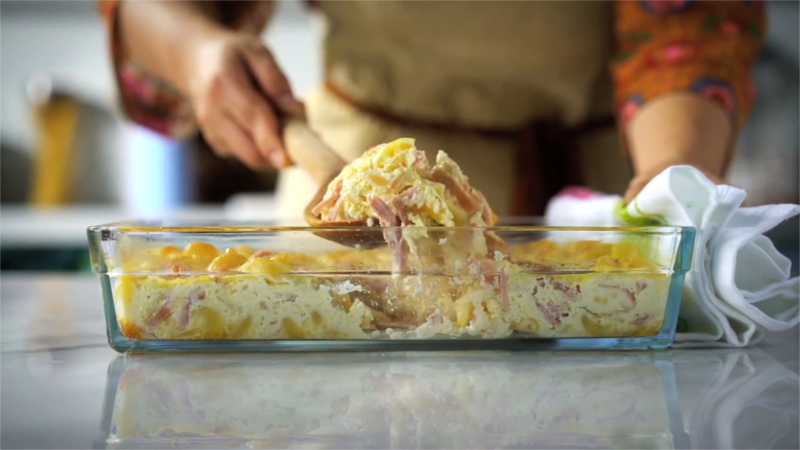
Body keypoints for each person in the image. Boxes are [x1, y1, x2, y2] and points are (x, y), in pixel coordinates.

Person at [96, 0, 765, 218]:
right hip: (346, 195)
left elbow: (689, 31)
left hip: (593, 208)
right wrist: (196, 50)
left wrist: (673, 186)